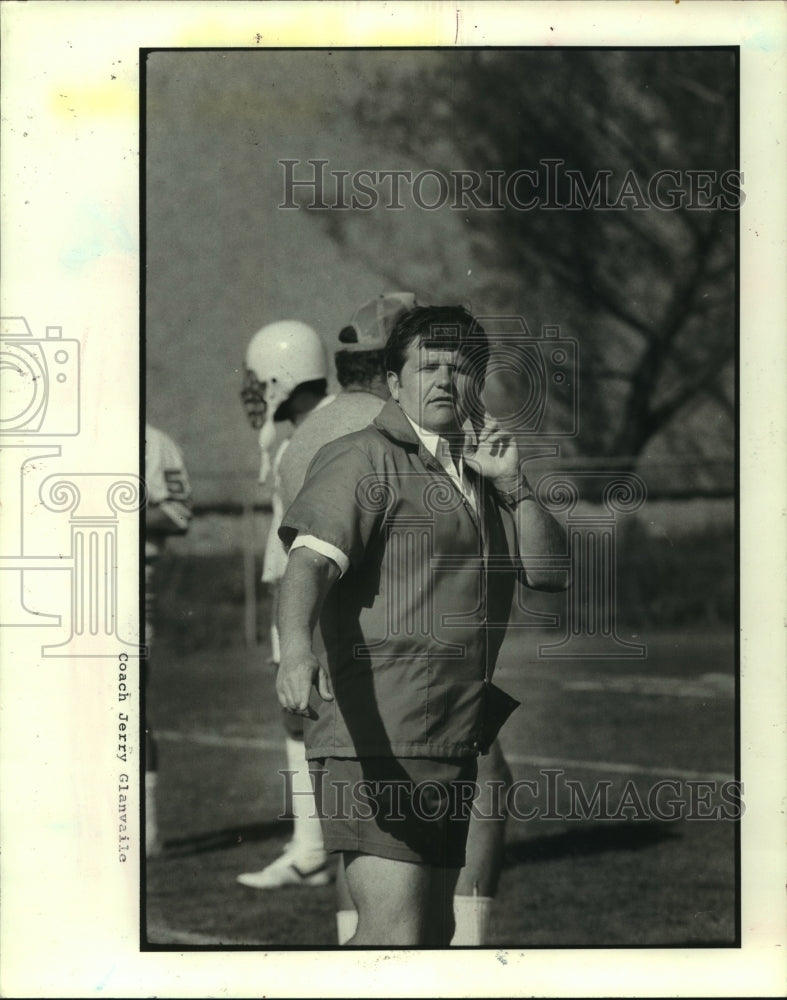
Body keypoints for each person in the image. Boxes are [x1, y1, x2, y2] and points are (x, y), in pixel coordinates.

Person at [275, 304, 567, 946]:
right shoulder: (360, 457)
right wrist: (295, 648)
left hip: (452, 733)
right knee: (393, 937)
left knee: (434, 935)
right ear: (394, 380)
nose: (442, 380)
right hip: (375, 734)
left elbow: (550, 573)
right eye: (427, 366)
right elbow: (309, 564)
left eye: (459, 368)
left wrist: (515, 484)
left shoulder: (481, 470)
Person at [237, 319, 334, 888]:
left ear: (284, 378)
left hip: (312, 593)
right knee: (298, 717)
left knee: (306, 717)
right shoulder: (307, 430)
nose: (254, 395)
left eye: (262, 382)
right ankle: (312, 843)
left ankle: (313, 848)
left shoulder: (314, 435)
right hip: (302, 588)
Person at [144, 423, 193, 858]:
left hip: (126, 581)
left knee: (127, 702)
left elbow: (178, 514)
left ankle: (145, 829)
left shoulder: (153, 441)